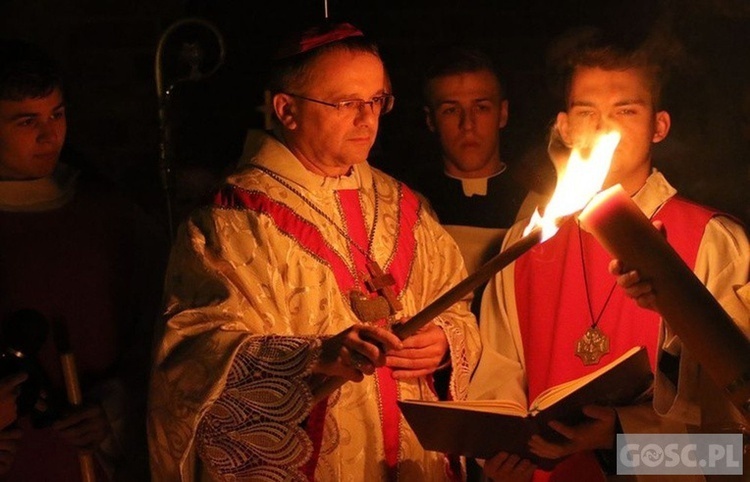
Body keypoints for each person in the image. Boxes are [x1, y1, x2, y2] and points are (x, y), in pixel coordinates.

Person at [147, 22, 481, 482]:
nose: (368, 119)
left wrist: (445, 342)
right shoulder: (234, 220)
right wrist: (310, 357)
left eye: (376, 100)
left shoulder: (407, 207)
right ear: (287, 110)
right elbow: (195, 351)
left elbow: (458, 308)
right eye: (346, 103)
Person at [470, 27, 750, 481]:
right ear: (564, 126)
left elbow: (735, 449)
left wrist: (621, 440)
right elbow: (497, 385)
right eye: (587, 112)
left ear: (659, 125)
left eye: (625, 110)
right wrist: (502, 457)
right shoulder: (527, 243)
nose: (604, 129)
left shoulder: (715, 241)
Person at [0, 39, 167, 481]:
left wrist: (111, 410)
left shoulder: (108, 214)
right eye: (26, 121)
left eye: (57, 115)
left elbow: (162, 331)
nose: (49, 135)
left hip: (96, 457)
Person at [412, 47, 543, 280]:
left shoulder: (539, 210)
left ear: (502, 113)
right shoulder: (410, 212)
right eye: (451, 110)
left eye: (481, 108)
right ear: (430, 119)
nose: (468, 124)